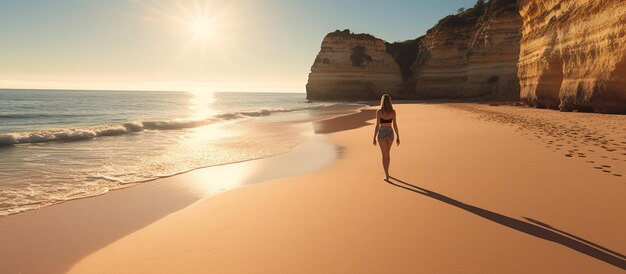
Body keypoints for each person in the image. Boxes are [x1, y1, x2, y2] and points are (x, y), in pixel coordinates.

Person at [373, 94, 400, 180]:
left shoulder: (379, 112)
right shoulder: (393, 112)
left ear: (382, 102)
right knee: (387, 154)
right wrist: (398, 136)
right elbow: (395, 125)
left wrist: (373, 137)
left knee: (384, 155)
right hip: (390, 132)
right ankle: (387, 172)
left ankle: (387, 175)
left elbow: (377, 125)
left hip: (382, 133)